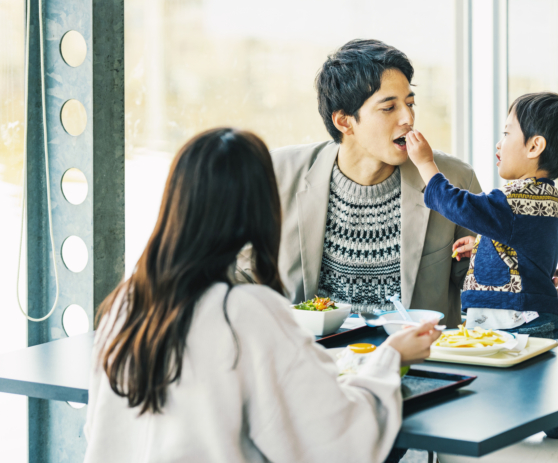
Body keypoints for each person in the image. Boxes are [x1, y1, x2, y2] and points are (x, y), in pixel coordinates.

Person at [83, 128, 442, 463]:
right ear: (261, 205)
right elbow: (336, 438)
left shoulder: (129, 302)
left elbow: (97, 429)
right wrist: (390, 358)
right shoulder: (243, 310)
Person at [405, 92, 558, 449]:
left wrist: (426, 164)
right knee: (492, 408)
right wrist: (483, 245)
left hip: (527, 328)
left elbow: (462, 207)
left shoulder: (518, 201)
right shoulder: (540, 198)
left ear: (535, 145)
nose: (498, 142)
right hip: (499, 328)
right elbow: (526, 243)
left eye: (506, 133)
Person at [235, 39, 481, 328]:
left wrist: (497, 257)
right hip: (313, 361)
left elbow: (484, 287)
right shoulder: (279, 173)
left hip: (419, 365)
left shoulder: (452, 179)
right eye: (389, 108)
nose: (408, 118)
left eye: (410, 103)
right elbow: (241, 275)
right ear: (344, 121)